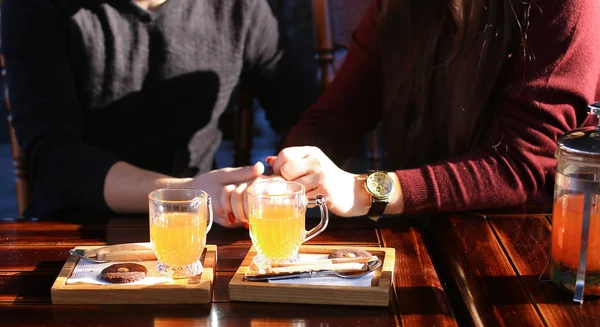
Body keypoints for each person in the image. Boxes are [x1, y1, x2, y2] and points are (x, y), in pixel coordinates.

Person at [222, 0, 600, 223]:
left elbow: (522, 164)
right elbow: (337, 115)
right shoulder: (400, 8)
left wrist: (365, 191)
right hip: (425, 229)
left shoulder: (567, 6)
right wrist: (291, 174)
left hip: (530, 248)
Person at [1, 0, 317, 225]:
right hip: (74, 228)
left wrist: (277, 181)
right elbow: (54, 159)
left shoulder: (239, 8)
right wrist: (183, 192)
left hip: (200, 229)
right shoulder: (37, 7)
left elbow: (304, 118)